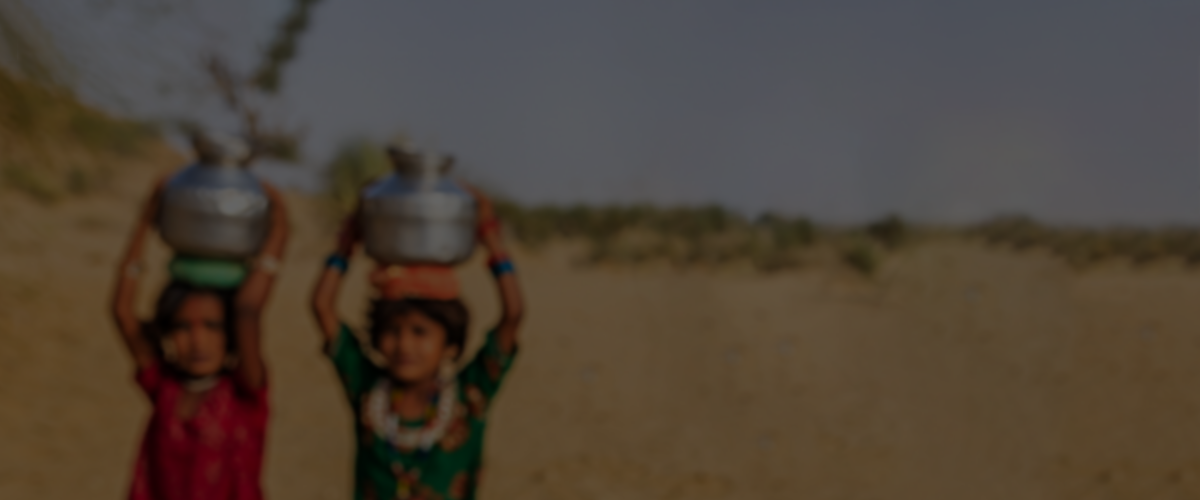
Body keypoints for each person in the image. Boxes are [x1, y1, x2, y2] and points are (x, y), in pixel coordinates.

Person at [311, 184, 524, 500]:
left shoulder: (470, 395)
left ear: (450, 344)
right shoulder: (368, 391)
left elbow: (513, 313)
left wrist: (489, 234)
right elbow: (322, 307)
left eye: (420, 332)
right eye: (393, 331)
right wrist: (349, 238)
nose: (404, 345)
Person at [110, 172, 289, 500]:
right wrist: (145, 221)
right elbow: (123, 314)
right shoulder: (164, 386)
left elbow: (248, 310)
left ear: (230, 333)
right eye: (182, 327)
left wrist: (279, 231)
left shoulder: (245, 392)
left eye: (212, 326)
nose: (197, 341)